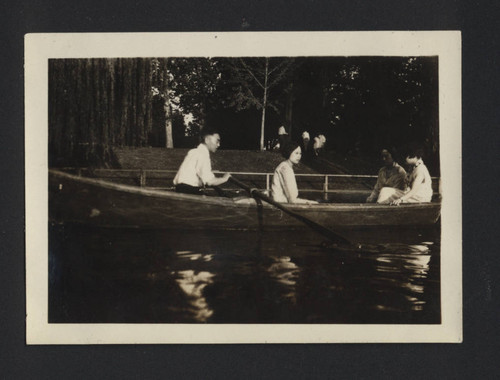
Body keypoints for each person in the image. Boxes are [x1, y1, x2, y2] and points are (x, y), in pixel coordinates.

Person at [173, 127, 231, 195]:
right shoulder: (202, 154)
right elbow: (209, 181)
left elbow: (201, 174)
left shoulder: (194, 151)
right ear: (207, 140)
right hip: (188, 190)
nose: (218, 144)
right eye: (217, 141)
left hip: (181, 189)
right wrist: (224, 178)